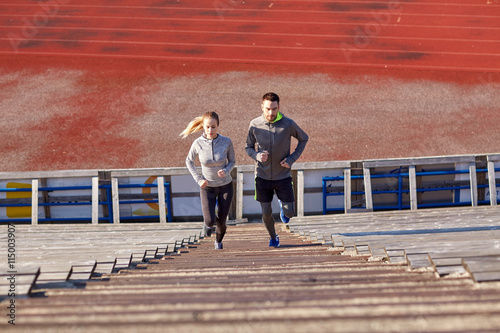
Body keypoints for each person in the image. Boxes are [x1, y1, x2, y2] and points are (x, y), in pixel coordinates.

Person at [245, 92, 309, 247]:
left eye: (274, 109)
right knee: (266, 212)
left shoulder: (288, 124)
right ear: (262, 107)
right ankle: (273, 237)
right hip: (262, 176)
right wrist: (258, 156)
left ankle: (283, 206)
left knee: (289, 214)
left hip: (283, 176)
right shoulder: (254, 124)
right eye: (267, 109)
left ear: (278, 107)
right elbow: (248, 147)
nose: (271, 113)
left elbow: (303, 138)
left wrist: (291, 159)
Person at [181, 111, 235, 250]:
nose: (210, 130)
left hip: (225, 185)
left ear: (218, 126)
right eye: (207, 127)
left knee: (222, 221)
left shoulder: (226, 141)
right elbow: (189, 161)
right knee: (210, 220)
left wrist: (226, 170)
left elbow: (232, 161)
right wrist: (199, 180)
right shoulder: (197, 143)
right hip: (207, 186)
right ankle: (207, 225)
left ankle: (218, 242)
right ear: (203, 127)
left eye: (213, 127)